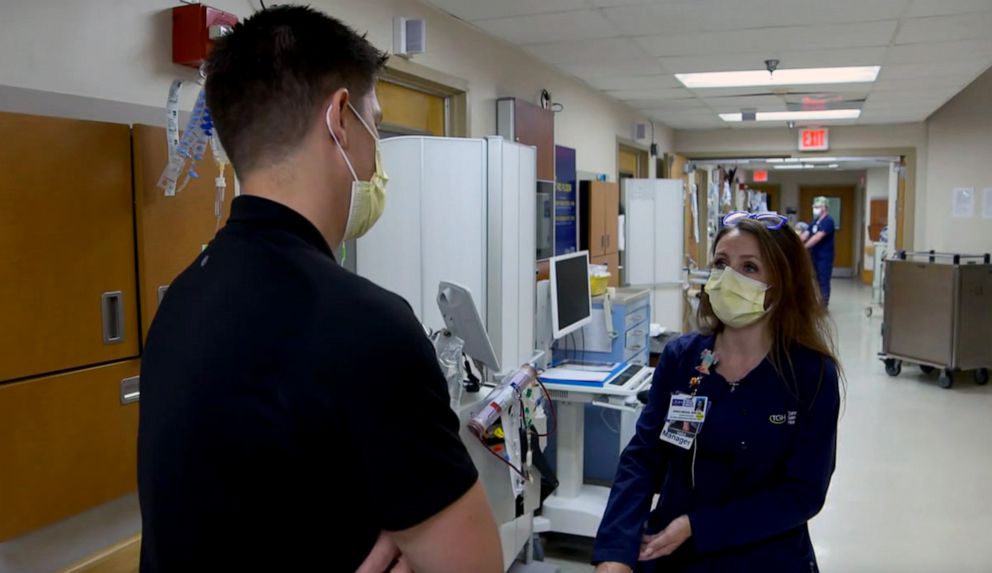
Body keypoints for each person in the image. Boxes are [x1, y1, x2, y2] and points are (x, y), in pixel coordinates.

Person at [137, 6, 502, 573]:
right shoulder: (367, 326)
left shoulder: (180, 302)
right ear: (340, 117)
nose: (376, 151)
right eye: (375, 123)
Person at [592, 211, 841, 573]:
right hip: (672, 555)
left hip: (768, 556)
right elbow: (644, 458)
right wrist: (615, 552)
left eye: (750, 267)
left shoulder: (810, 373)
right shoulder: (683, 358)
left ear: (783, 282)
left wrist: (698, 526)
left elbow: (803, 493)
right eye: (721, 264)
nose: (729, 279)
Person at [801, 197, 836, 306]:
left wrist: (804, 247)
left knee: (823, 279)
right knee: (814, 279)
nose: (815, 209)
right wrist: (795, 242)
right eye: (814, 207)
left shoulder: (828, 221)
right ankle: (816, 302)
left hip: (824, 257)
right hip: (814, 255)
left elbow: (817, 237)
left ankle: (823, 305)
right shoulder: (815, 222)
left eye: (817, 207)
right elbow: (806, 234)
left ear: (824, 208)